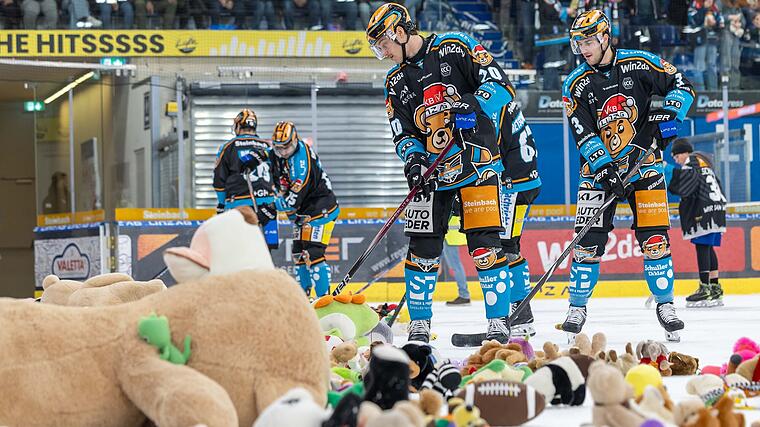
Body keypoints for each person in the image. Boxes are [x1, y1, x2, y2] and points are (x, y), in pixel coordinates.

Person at [367, 3, 514, 343]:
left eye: (384, 44)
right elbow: (402, 133)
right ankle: (420, 324)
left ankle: (498, 322)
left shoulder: (455, 45)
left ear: (401, 33)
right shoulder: (395, 81)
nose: (383, 52)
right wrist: (414, 161)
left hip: (478, 165)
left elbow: (502, 86)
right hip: (433, 175)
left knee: (486, 247)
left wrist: (471, 103)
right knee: (421, 251)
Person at [561, 9, 695, 341]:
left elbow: (683, 86)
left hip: (645, 167)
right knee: (586, 245)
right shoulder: (575, 83)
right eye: (579, 43)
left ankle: (665, 305)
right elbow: (582, 131)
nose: (584, 49)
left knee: (655, 240)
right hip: (597, 173)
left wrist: (668, 121)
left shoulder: (639, 63)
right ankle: (576, 308)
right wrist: (605, 168)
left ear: (605, 37)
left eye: (589, 41)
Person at [269, 121, 340, 298]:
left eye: (286, 147)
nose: (283, 152)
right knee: (298, 254)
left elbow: (293, 198)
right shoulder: (275, 154)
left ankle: (324, 299)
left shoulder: (302, 159)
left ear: (294, 140)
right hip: (303, 209)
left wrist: (271, 204)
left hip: (321, 206)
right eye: (279, 148)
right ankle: (303, 297)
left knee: (313, 252)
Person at [665, 139, 726, 307]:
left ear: (684, 152)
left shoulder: (691, 162)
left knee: (702, 247)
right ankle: (714, 286)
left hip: (704, 211)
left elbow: (683, 185)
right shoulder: (703, 161)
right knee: (708, 247)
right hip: (716, 208)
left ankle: (704, 288)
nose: (676, 160)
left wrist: (666, 170)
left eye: (676, 156)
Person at [213, 108, 279, 249]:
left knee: (239, 251)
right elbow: (278, 177)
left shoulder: (228, 147)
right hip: (268, 204)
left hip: (239, 205)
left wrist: (221, 205)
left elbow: (219, 181)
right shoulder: (268, 147)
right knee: (267, 251)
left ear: (238, 126)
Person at [444, 203, 470, 306]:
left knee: (455, 265)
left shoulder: (451, 194)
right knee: (455, 265)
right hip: (450, 233)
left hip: (449, 234)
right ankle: (464, 294)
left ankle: (464, 295)